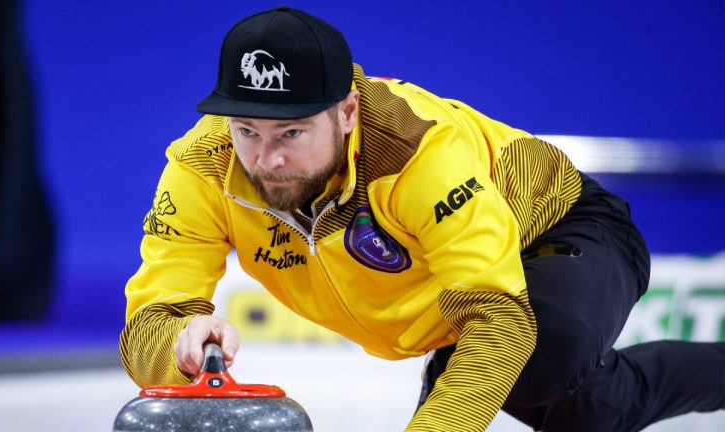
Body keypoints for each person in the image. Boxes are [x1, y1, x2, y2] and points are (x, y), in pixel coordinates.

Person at [119, 6, 724, 431]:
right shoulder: (204, 164)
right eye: (247, 129)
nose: (266, 159)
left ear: (348, 111)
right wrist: (179, 344)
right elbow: (148, 323)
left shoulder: (415, 149)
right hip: (444, 293)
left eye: (292, 131)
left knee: (541, 358)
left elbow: (500, 321)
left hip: (561, 227)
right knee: (596, 414)